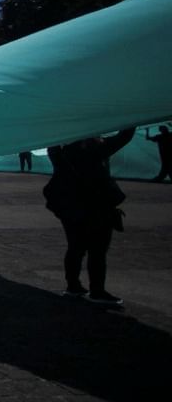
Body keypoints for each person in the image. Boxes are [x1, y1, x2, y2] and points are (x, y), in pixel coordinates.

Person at [45, 127, 136, 305]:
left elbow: (52, 143)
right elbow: (125, 135)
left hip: (70, 208)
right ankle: (97, 290)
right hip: (97, 208)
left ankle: (73, 286)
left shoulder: (62, 154)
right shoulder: (98, 150)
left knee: (75, 248)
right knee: (97, 251)